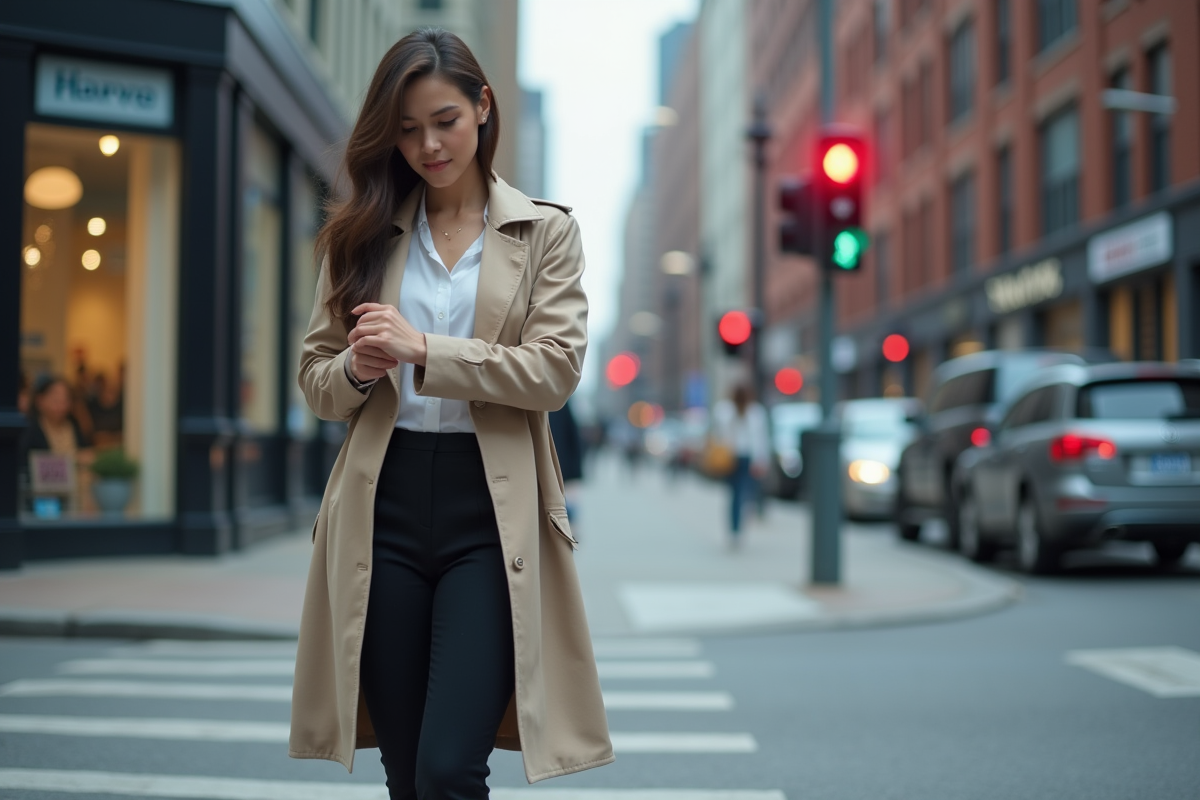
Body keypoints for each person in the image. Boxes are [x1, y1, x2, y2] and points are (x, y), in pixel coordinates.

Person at [289, 28, 613, 799]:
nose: (427, 145)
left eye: (444, 121)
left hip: (489, 517)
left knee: (447, 768)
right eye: (406, 129)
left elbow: (555, 371)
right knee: (406, 772)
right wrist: (359, 370)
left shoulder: (545, 231)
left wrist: (428, 351)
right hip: (383, 510)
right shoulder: (363, 234)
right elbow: (314, 380)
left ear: (483, 107)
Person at [711, 383, 770, 547]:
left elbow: (718, 435)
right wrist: (761, 460)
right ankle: (737, 529)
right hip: (744, 458)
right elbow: (760, 440)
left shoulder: (724, 410)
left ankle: (734, 530)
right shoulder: (755, 412)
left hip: (732, 457)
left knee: (734, 495)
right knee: (743, 495)